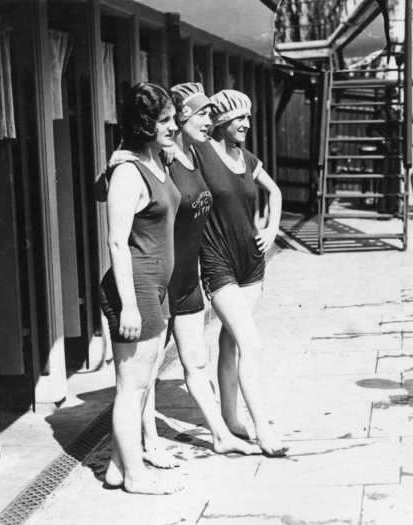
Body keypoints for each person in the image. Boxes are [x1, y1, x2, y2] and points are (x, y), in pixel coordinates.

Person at [138, 83, 261, 462]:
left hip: (188, 275)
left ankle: (221, 435)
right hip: (158, 276)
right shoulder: (166, 156)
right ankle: (148, 440)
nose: (209, 120)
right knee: (147, 367)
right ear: (182, 118)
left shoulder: (196, 155)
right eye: (202, 114)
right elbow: (114, 182)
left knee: (196, 361)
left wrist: (261, 227)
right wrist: (121, 158)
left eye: (210, 113)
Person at [193, 89, 288, 457]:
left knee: (231, 340)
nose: (246, 124)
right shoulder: (200, 153)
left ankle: (231, 418)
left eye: (248, 118)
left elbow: (274, 193)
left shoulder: (246, 158)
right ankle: (263, 428)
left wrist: (270, 229)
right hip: (217, 260)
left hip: (252, 260)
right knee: (250, 342)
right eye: (239, 119)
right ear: (220, 121)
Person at [99, 82, 182, 494]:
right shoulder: (129, 171)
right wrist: (129, 306)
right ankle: (135, 475)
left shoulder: (154, 161)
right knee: (132, 388)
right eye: (165, 120)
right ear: (145, 125)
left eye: (173, 117)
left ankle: (117, 465)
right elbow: (117, 241)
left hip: (155, 285)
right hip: (137, 288)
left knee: (139, 383)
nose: (174, 126)